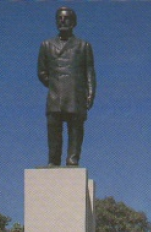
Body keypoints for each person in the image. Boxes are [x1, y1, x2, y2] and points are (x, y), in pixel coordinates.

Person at [38, 6, 96, 166]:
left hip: (75, 95)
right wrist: (55, 83)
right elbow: (41, 72)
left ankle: (73, 159)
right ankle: (53, 160)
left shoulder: (83, 46)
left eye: (66, 18)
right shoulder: (46, 45)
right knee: (53, 128)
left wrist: (90, 94)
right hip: (55, 95)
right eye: (60, 18)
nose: (63, 21)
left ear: (74, 22)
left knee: (75, 129)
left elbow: (90, 72)